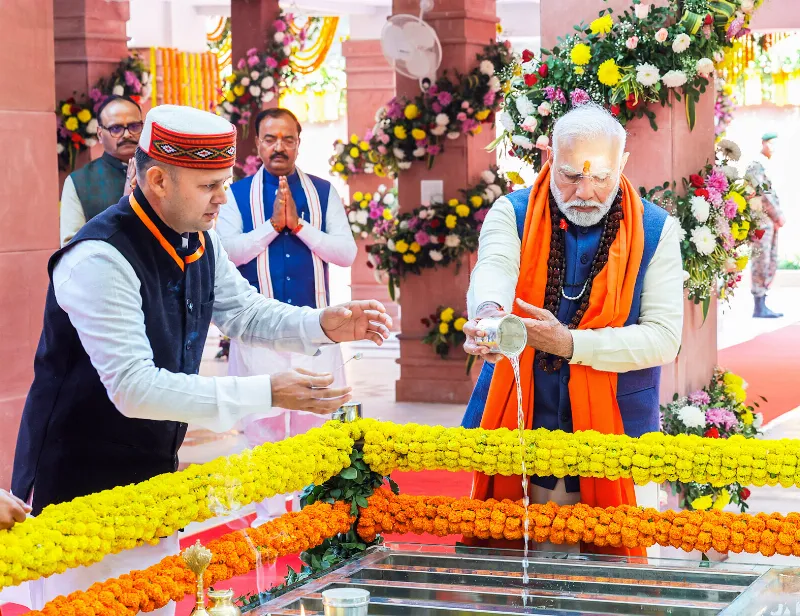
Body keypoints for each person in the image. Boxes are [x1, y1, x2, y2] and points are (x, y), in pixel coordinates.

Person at [10, 105, 390, 613]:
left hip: (153, 474)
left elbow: (244, 312)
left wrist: (321, 324)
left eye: (224, 181)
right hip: (81, 485)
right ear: (159, 180)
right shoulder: (99, 256)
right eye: (208, 184)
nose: (223, 196)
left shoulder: (197, 240)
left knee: (156, 603)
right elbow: (134, 387)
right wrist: (267, 391)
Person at [461, 103, 683, 557]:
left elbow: (664, 337)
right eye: (570, 175)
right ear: (548, 160)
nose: (585, 191)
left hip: (617, 435)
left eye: (601, 176)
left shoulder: (659, 229)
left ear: (622, 164)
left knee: (614, 586)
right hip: (518, 430)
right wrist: (488, 316)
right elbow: (496, 267)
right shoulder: (513, 211)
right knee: (514, 575)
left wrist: (569, 344)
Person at [217, 107, 357, 525]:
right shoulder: (233, 194)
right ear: (256, 143)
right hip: (257, 331)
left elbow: (345, 253)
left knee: (315, 419)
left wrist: (298, 227)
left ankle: (314, 510)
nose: (279, 147)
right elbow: (228, 252)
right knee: (264, 422)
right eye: (269, 139)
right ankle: (269, 514)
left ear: (298, 142)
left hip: (316, 327)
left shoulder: (323, 191)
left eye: (288, 139)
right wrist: (272, 226)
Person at [59, 95, 144, 246]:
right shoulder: (79, 182)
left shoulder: (160, 171)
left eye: (134, 126)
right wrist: (123, 208)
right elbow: (71, 248)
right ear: (99, 134)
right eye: (116, 128)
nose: (127, 134)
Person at [746, 132, 785, 319]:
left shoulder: (766, 165)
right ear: (763, 143)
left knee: (769, 260)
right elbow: (765, 194)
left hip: (769, 222)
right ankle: (759, 305)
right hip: (761, 221)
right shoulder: (756, 166)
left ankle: (763, 304)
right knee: (761, 261)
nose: (774, 147)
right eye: (771, 143)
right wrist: (778, 216)